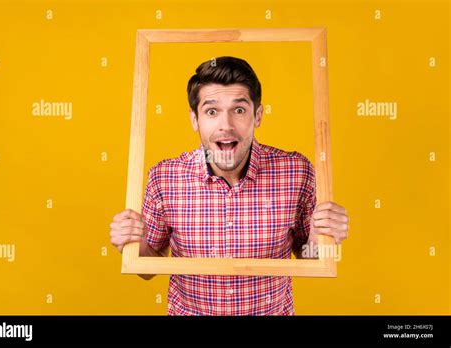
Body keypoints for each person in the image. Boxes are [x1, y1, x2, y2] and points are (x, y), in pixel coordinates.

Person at [110, 56, 349, 315]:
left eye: (239, 110)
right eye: (212, 111)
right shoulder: (164, 177)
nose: (226, 125)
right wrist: (134, 244)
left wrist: (321, 236)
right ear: (194, 119)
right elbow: (149, 268)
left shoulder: (297, 171)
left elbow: (309, 258)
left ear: (257, 115)